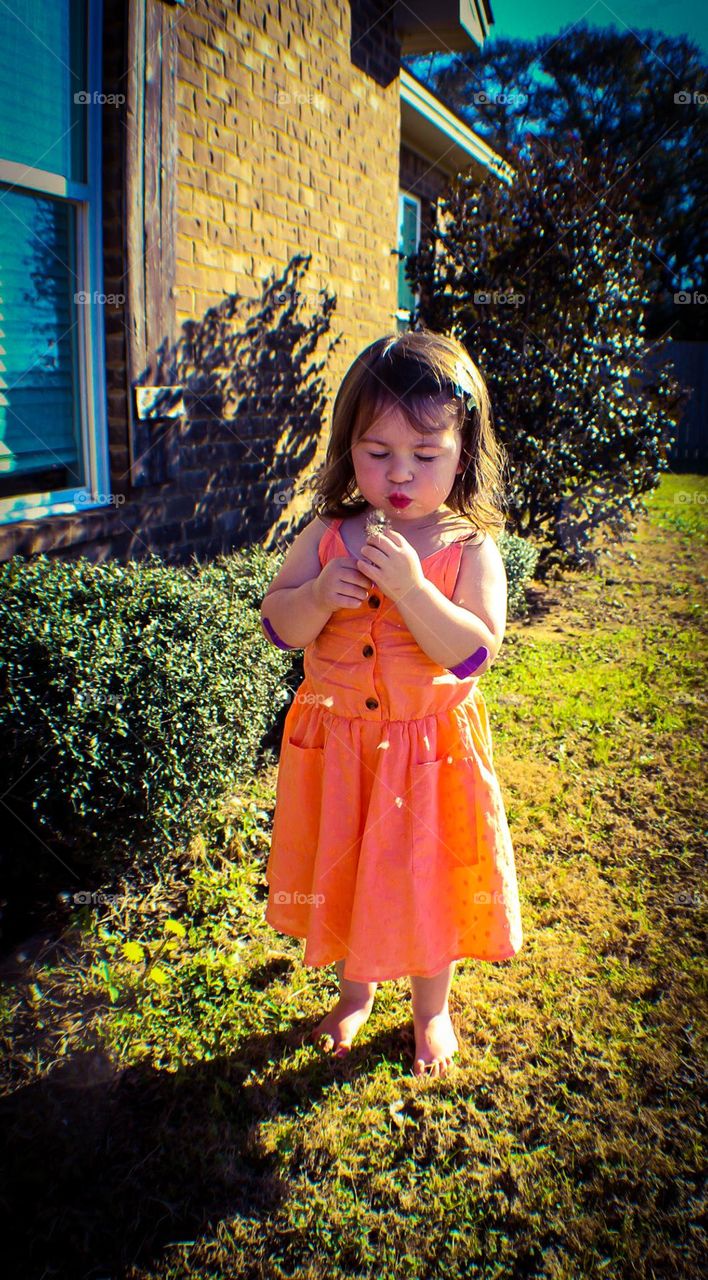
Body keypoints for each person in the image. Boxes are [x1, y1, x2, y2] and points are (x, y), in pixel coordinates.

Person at [260, 328, 523, 1078]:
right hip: (343, 751)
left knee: (424, 880)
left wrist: (410, 590)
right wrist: (313, 596)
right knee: (349, 875)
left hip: (425, 755)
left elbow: (473, 652)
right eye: (378, 453)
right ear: (349, 448)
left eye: (425, 455)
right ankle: (354, 993)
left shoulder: (468, 547)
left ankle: (431, 1009)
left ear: (463, 454)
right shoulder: (330, 532)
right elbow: (279, 626)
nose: (399, 473)